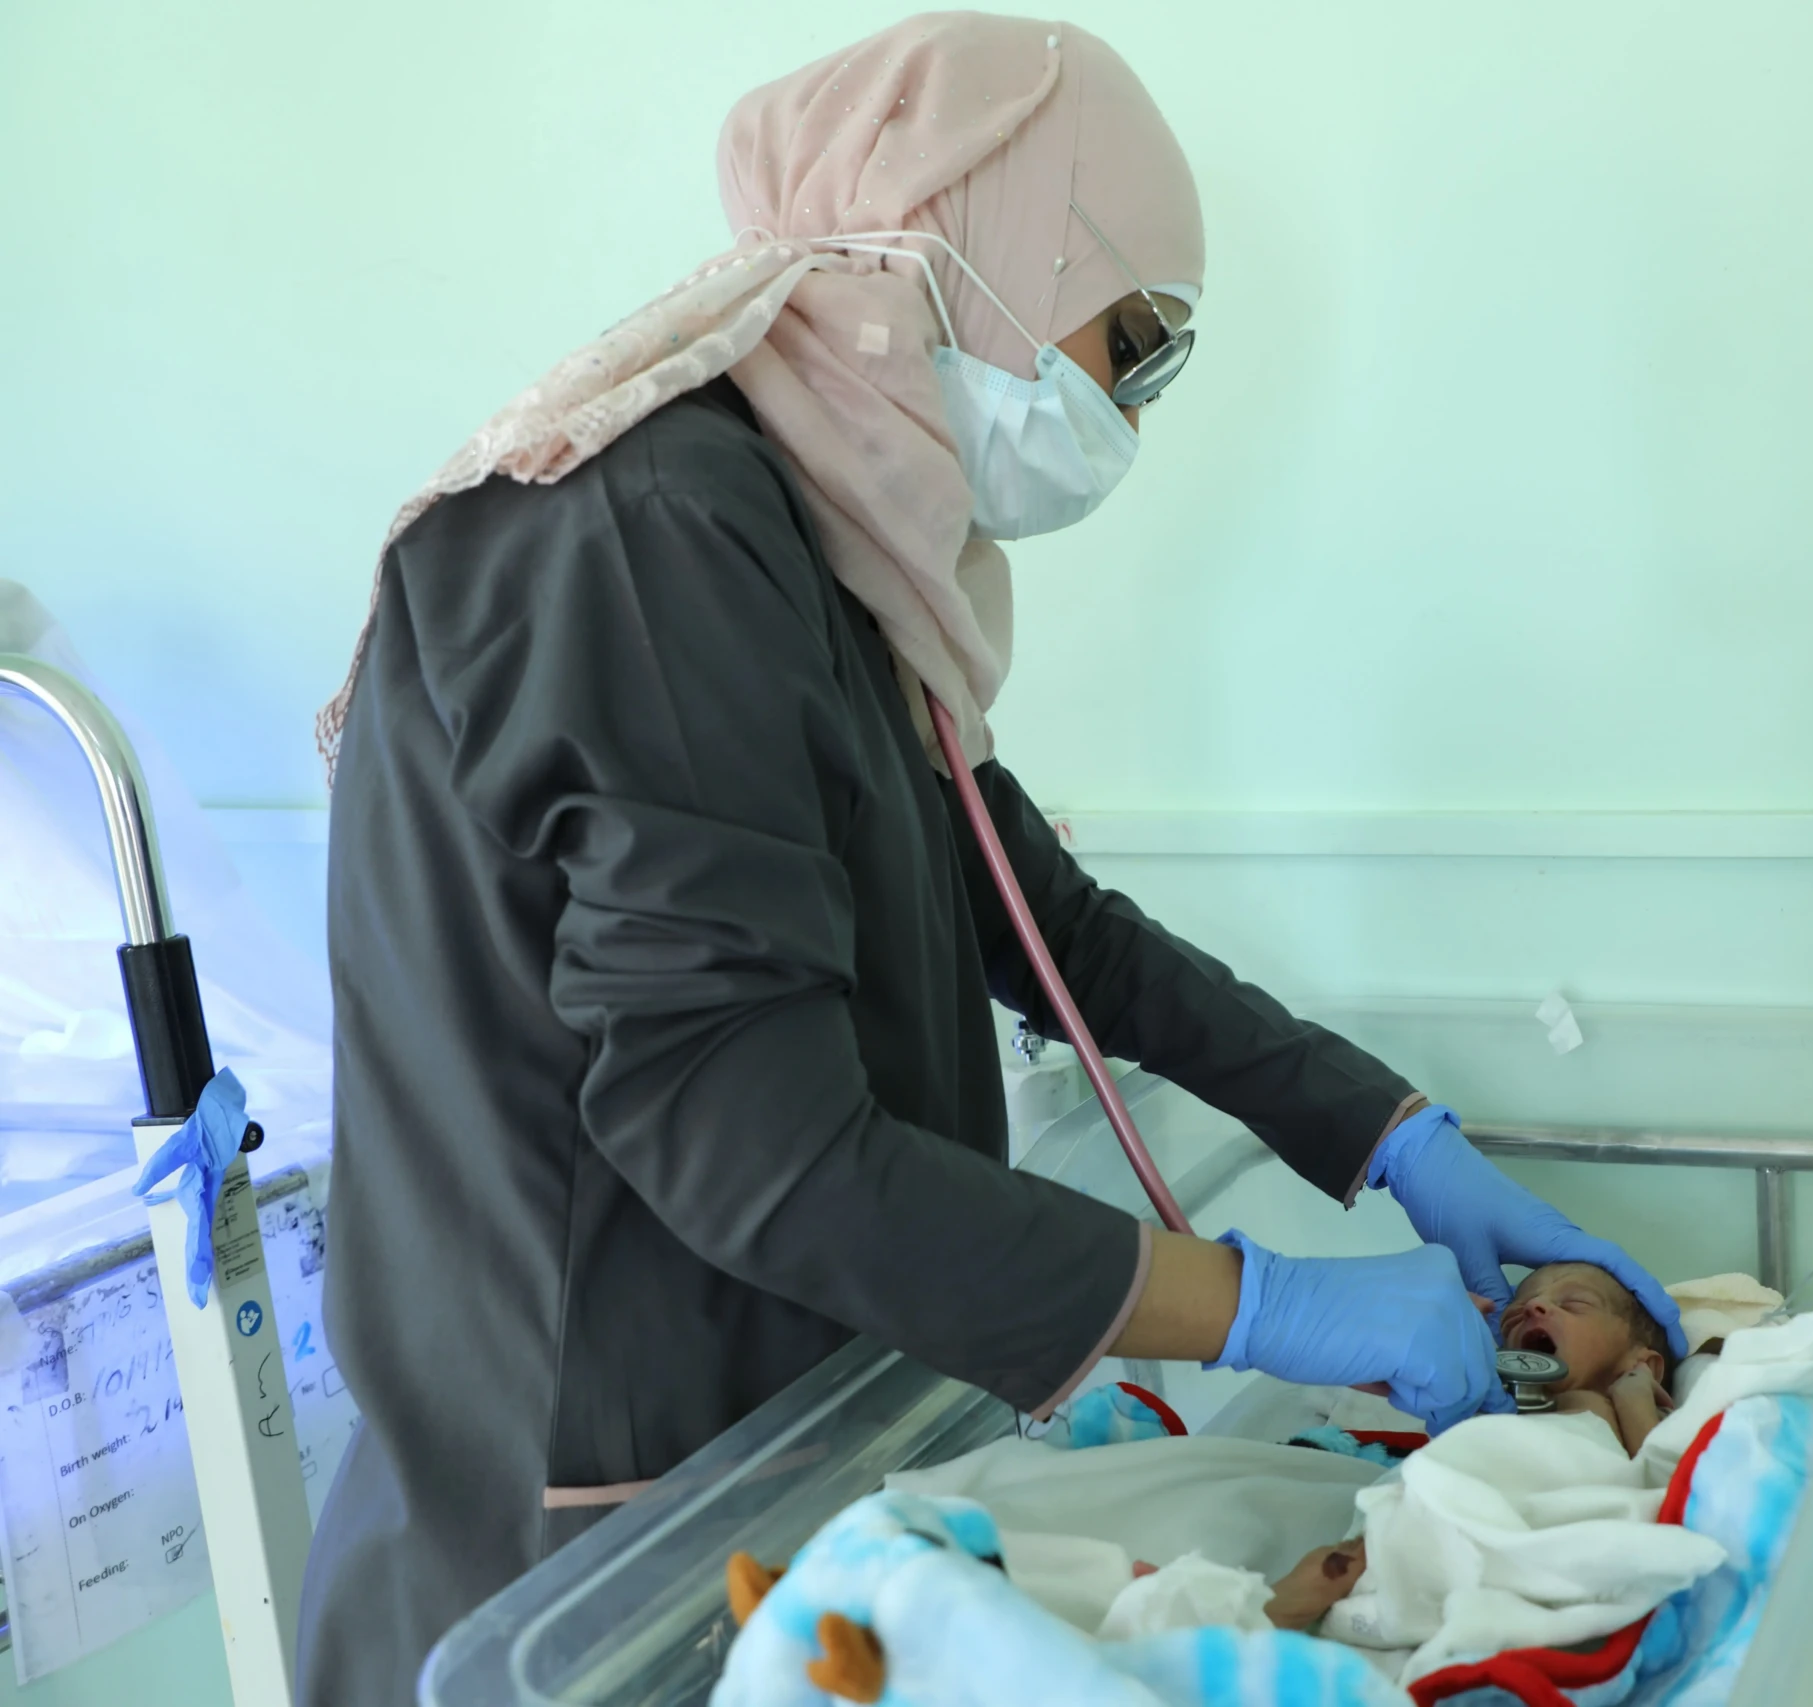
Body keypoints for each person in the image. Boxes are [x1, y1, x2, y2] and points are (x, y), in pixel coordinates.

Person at [295, 16, 1680, 1704]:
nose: (1140, 406)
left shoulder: (815, 556)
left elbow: (1048, 923)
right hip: (586, 1555)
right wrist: (1262, 1309)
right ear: (986, 264)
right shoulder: (654, 546)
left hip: (767, 1475)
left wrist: (1389, 1134)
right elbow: (753, 1144)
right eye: (1140, 343)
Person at [1497, 1261, 1679, 1453]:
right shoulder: (1483, 1399)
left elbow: (1662, 1474)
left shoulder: (1653, 1416)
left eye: (1574, 1303)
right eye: (1515, 1314)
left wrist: (1636, 1396)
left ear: (1645, 1366)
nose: (1533, 1305)